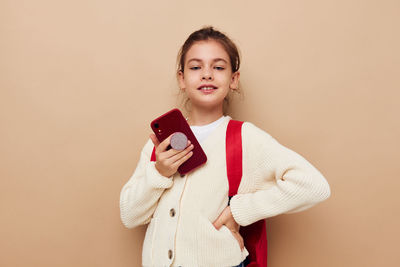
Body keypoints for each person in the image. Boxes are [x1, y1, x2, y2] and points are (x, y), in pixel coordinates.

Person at [119, 26, 331, 267]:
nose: (207, 74)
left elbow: (314, 186)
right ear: (182, 79)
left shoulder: (244, 137)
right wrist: (159, 173)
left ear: (233, 79)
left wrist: (239, 211)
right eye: (196, 67)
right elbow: (129, 216)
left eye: (218, 67)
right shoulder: (159, 143)